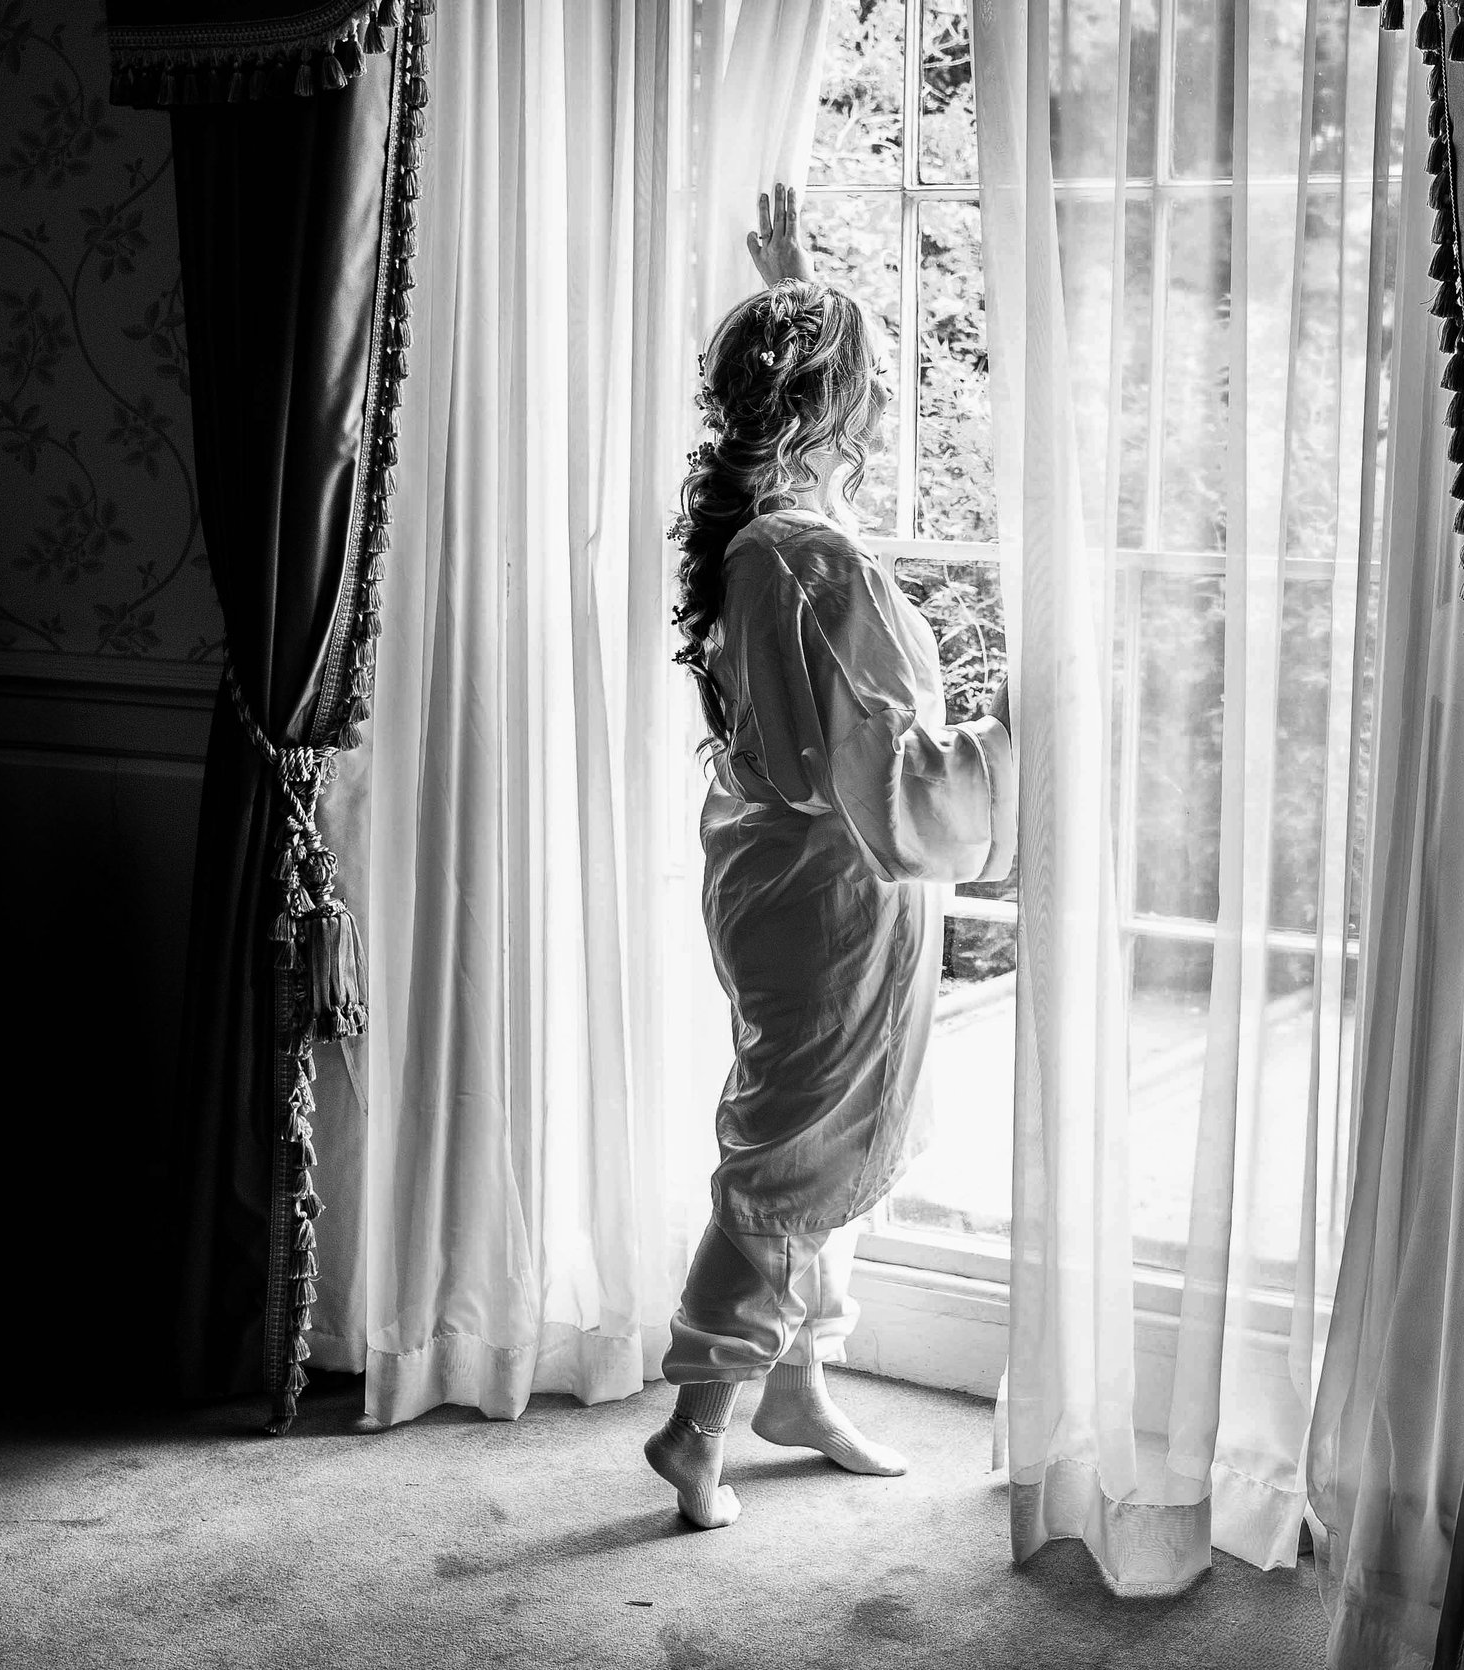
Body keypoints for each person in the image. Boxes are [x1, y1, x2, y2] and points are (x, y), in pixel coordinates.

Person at [644, 186, 1015, 1529]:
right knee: (795, 1159)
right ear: (820, 418)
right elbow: (896, 772)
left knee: (834, 1131)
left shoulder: (770, 536)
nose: (884, 413)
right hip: (830, 892)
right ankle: (696, 1426)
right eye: (864, 393)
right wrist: (1024, 723)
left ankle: (794, 1385)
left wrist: (798, 281)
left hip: (793, 882)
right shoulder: (805, 559)